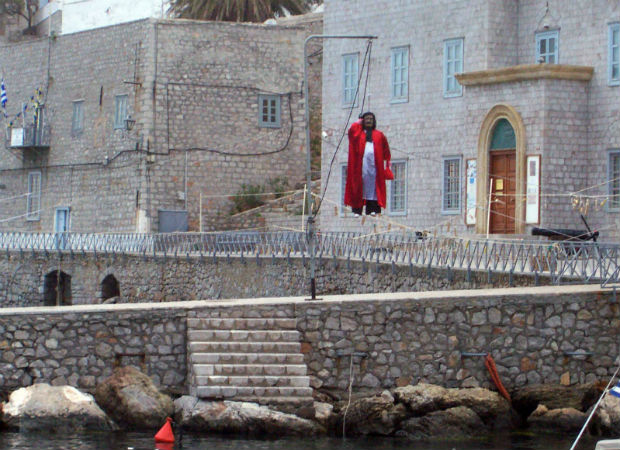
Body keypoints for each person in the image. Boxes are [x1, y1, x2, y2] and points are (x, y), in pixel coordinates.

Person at [344, 111, 391, 216]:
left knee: (373, 189)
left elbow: (386, 151)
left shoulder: (379, 135)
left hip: (374, 167)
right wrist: (358, 121)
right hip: (361, 167)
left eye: (371, 119)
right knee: (358, 187)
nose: (369, 121)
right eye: (366, 119)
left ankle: (372, 209)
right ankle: (357, 210)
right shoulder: (358, 134)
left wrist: (387, 166)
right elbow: (351, 131)